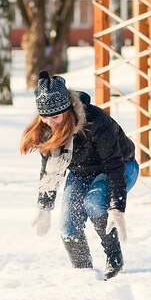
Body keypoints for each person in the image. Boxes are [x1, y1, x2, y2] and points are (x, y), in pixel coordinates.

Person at [19, 71, 139, 281]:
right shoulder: (47, 128)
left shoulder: (96, 121)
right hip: (81, 172)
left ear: (67, 110)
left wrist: (117, 209)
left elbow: (114, 165)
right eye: (45, 117)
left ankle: (114, 258)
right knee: (68, 226)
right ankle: (83, 274)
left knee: (94, 202)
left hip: (120, 167)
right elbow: (49, 168)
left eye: (55, 117)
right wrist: (44, 206)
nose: (50, 123)